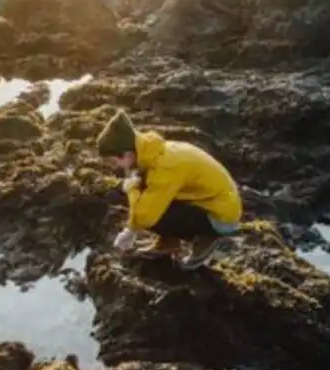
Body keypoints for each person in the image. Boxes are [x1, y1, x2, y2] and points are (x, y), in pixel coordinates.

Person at [96, 109, 243, 270]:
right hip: (212, 200)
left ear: (128, 155)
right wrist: (130, 228)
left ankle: (206, 237)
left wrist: (131, 192)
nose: (113, 166)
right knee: (146, 192)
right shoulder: (154, 153)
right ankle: (169, 242)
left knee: (147, 204)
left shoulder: (165, 167)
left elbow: (144, 216)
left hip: (221, 217)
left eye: (113, 161)